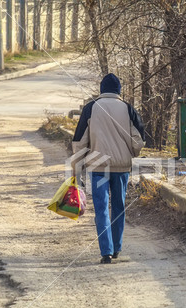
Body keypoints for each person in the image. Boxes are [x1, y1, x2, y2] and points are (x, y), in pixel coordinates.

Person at [72, 73, 145, 264]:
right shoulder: (128, 109)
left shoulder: (91, 108)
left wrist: (76, 172)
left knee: (102, 208)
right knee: (119, 207)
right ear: (119, 91)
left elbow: (79, 143)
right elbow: (139, 140)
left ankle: (107, 252)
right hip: (121, 168)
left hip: (99, 168)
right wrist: (130, 154)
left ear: (101, 90)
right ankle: (117, 247)